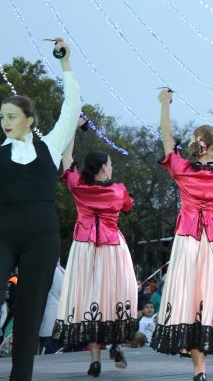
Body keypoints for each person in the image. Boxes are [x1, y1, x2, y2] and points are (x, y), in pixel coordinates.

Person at [0, 37, 81, 381]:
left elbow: (72, 105)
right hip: (3, 233)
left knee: (31, 313)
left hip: (42, 237)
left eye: (12, 116)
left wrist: (65, 64)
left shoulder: (50, 145)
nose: (5, 122)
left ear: (29, 119)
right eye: (2, 116)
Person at [152, 89, 213, 381]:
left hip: (190, 240)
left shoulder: (182, 170)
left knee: (193, 300)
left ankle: (199, 370)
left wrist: (165, 106)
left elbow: (168, 143)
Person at [53, 131, 138, 377]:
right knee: (116, 295)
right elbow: (130, 208)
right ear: (102, 167)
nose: (111, 167)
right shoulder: (118, 190)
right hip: (112, 248)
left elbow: (66, 157)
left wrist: (72, 128)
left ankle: (95, 359)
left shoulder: (78, 186)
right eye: (110, 163)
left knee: (89, 299)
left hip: (84, 248)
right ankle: (116, 344)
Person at [38, 262, 64, 355]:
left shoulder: (49, 271)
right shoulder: (62, 271)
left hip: (48, 314)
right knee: (56, 343)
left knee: (47, 347)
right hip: (60, 315)